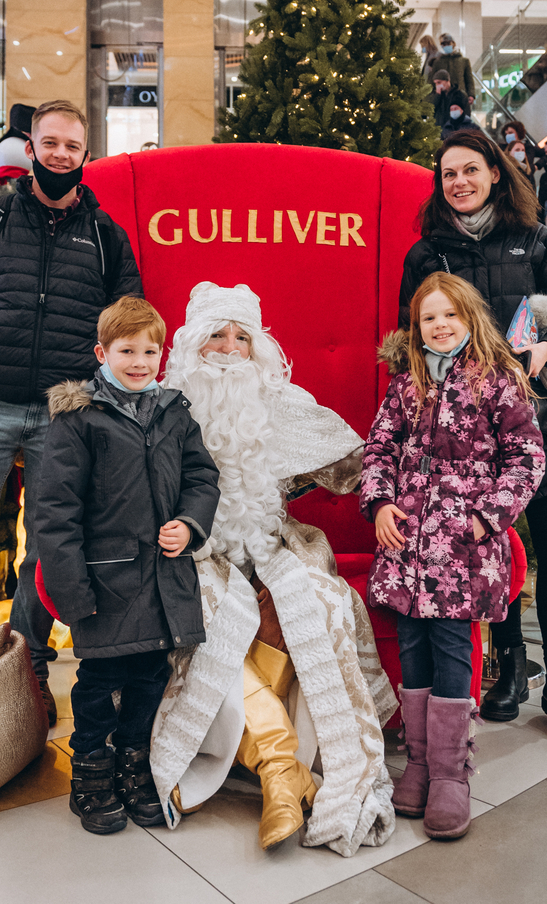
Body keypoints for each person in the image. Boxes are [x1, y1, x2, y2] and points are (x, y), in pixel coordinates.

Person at [0, 99, 143, 725]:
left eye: (72, 146)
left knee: (46, 551)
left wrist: (109, 411)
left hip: (63, 414)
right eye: (50, 144)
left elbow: (130, 327)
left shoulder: (105, 237)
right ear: (32, 148)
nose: (61, 156)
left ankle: (25, 669)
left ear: (86, 155)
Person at [152, 282, 397, 857]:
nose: (231, 349)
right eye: (218, 335)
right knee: (208, 619)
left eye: (243, 337)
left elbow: (356, 465)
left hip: (271, 545)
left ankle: (290, 764)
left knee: (320, 604)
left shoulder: (282, 403)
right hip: (191, 551)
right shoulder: (164, 406)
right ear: (193, 344)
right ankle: (280, 766)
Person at [398, 131, 547, 753]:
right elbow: (407, 337)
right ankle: (508, 664)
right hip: (464, 435)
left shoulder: (534, 238)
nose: (457, 181)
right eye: (447, 173)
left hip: (534, 416)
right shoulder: (427, 252)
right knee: (489, 547)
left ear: (493, 171)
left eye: (469, 170)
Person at [361, 272, 544, 840]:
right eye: (428, 319)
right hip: (407, 544)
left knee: (450, 649)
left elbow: (527, 457)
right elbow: (379, 447)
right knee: (412, 646)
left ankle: (451, 774)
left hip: (463, 548)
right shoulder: (406, 382)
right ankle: (417, 762)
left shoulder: (498, 380)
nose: (440, 327)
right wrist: (380, 504)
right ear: (416, 329)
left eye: (450, 315)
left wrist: (486, 516)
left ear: (470, 318)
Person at [35, 296, 220, 836]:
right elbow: (55, 512)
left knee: (149, 677)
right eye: (126, 350)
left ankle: (135, 766)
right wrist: (72, 593)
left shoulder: (174, 413)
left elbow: (201, 479)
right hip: (105, 580)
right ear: (102, 352)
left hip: (163, 580)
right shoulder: (79, 419)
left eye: (150, 350)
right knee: (98, 682)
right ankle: (90, 773)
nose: (140, 361)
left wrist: (188, 523)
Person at [427, 34, 475, 104]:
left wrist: (471, 95)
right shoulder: (437, 62)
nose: (446, 46)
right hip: (443, 98)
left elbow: (469, 80)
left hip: (460, 96)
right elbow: (431, 81)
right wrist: (432, 97)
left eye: (448, 43)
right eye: (443, 44)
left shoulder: (464, 61)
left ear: (453, 44)